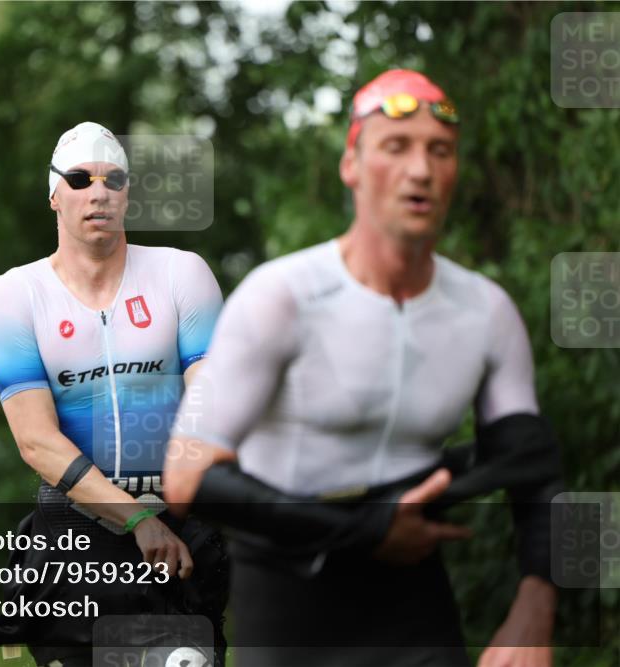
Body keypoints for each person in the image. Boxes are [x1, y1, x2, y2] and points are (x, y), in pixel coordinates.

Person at [164, 69, 562, 667]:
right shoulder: (281, 296)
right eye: (396, 147)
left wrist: (536, 605)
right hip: (290, 602)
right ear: (351, 164)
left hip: (413, 601)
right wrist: (367, 531)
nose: (420, 169)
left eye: (440, 151)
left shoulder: (487, 312)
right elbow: (187, 477)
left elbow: (535, 469)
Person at [0, 122, 228, 667]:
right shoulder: (15, 294)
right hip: (73, 536)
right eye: (79, 179)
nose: (99, 193)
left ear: (128, 195)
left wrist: (174, 508)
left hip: (176, 527)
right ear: (54, 194)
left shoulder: (181, 274)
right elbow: (36, 441)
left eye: (114, 180)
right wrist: (136, 519)